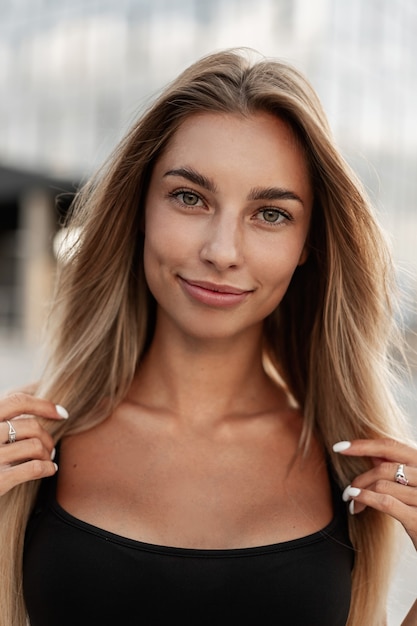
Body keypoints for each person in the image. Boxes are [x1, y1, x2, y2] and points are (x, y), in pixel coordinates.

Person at [0, 48, 416, 626]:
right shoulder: (27, 444)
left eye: (270, 213)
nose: (222, 251)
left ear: (308, 247)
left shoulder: (349, 467)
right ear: (139, 209)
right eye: (190, 198)